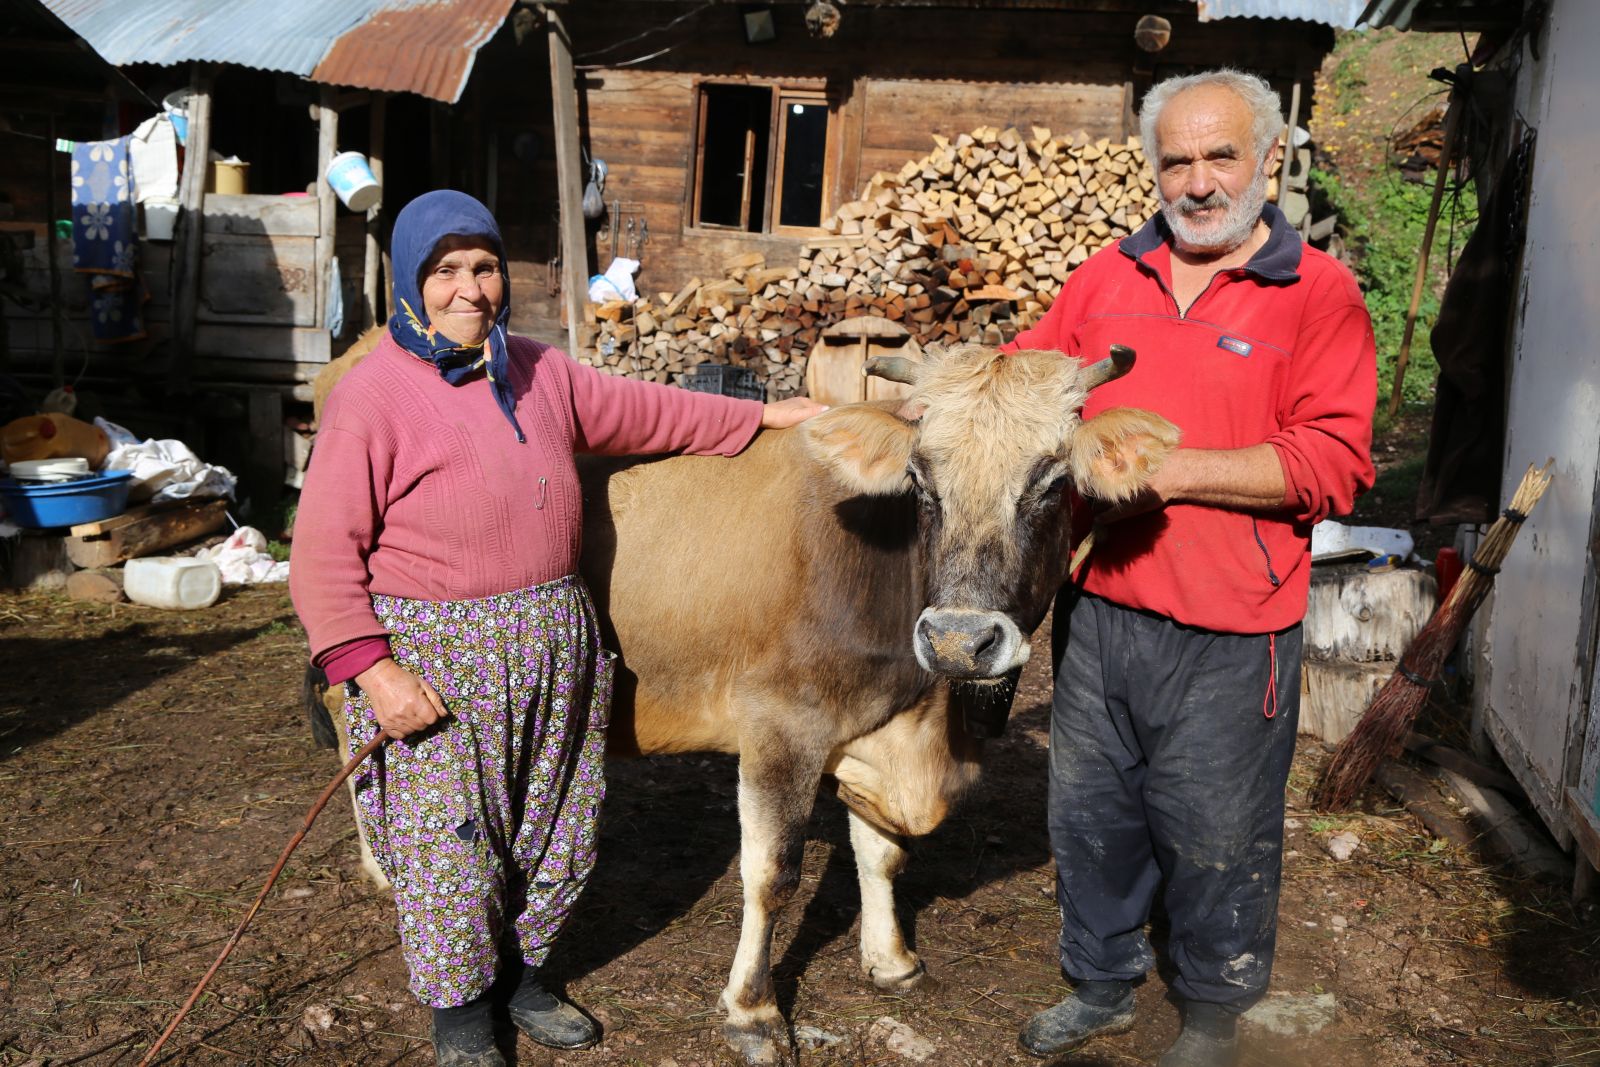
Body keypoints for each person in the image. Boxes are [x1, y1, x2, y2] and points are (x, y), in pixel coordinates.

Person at [289, 189, 822, 1067]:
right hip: (438, 654)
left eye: (486, 267)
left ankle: (524, 975)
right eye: (448, 270)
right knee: (449, 842)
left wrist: (763, 417)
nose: (472, 289)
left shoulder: (536, 370)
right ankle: (461, 1013)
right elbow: (320, 559)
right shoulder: (374, 397)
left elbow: (650, 411)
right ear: (411, 282)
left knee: (557, 826)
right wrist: (375, 674)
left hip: (552, 638)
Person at [1007, 70, 1376, 1067]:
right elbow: (1026, 379)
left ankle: (1213, 1011)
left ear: (1270, 161)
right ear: (1153, 168)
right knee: (1090, 814)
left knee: (1215, 830)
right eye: (1176, 159)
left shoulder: (1318, 293)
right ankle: (1098, 983)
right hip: (1101, 609)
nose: (1198, 181)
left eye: (1221, 156)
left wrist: (1170, 474)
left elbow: (1333, 461)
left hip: (1233, 624)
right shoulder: (1103, 279)